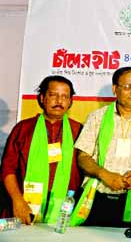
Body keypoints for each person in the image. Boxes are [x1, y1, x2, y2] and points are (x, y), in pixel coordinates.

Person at [71, 67, 131, 228]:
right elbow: (83, 157)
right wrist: (105, 175)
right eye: (128, 87)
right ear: (115, 89)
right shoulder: (97, 117)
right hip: (98, 196)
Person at [0, 75, 82, 224]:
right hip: (25, 206)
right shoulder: (23, 128)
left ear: (70, 102)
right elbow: (7, 169)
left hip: (65, 212)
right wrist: (17, 201)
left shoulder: (79, 130)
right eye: (53, 95)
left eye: (65, 97)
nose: (59, 101)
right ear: (42, 98)